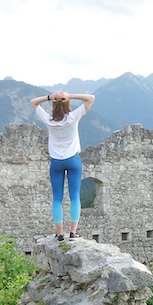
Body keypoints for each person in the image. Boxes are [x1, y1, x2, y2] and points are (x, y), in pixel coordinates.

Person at [31, 90, 95, 241]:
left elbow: (33, 102)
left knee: (57, 199)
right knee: (74, 197)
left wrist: (50, 97)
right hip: (73, 160)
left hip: (56, 162)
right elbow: (91, 98)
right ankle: (73, 232)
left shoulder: (48, 119)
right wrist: (69, 96)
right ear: (67, 103)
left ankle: (60, 234)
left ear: (53, 104)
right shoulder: (73, 117)